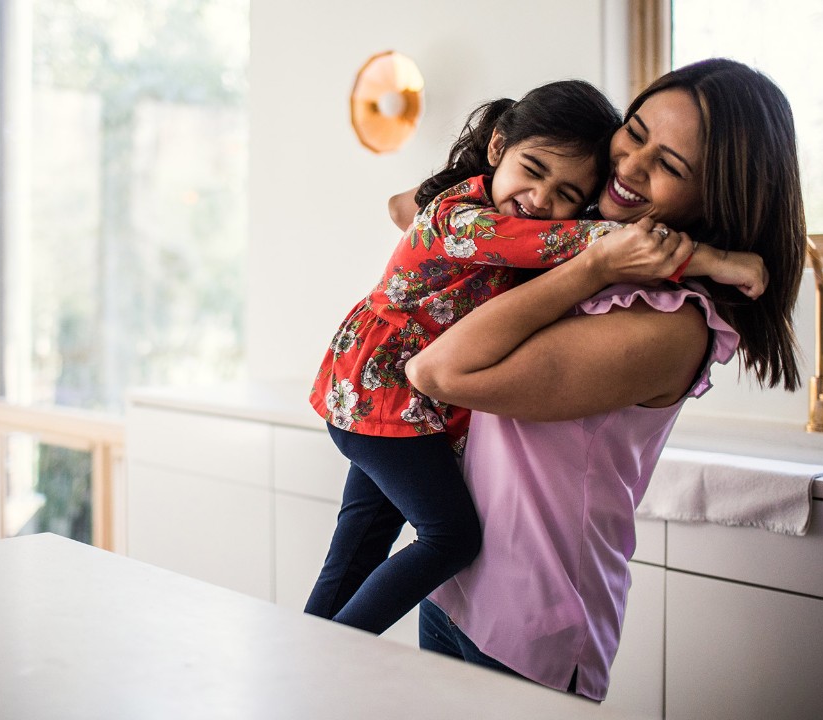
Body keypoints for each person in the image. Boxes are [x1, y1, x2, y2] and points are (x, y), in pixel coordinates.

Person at [400, 58, 806, 701]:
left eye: (670, 166)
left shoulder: (668, 324)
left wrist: (592, 266)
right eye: (635, 131)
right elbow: (414, 215)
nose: (630, 165)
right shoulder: (590, 246)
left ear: (717, 198)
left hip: (530, 625)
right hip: (456, 586)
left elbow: (438, 371)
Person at [305, 80, 764, 637]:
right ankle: (329, 657)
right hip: (382, 394)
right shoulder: (470, 220)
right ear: (498, 147)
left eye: (568, 193)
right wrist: (713, 259)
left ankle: (313, 648)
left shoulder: (489, 213)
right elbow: (582, 245)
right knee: (447, 538)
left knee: (360, 543)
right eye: (535, 169)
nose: (543, 200)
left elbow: (423, 210)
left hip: (390, 402)